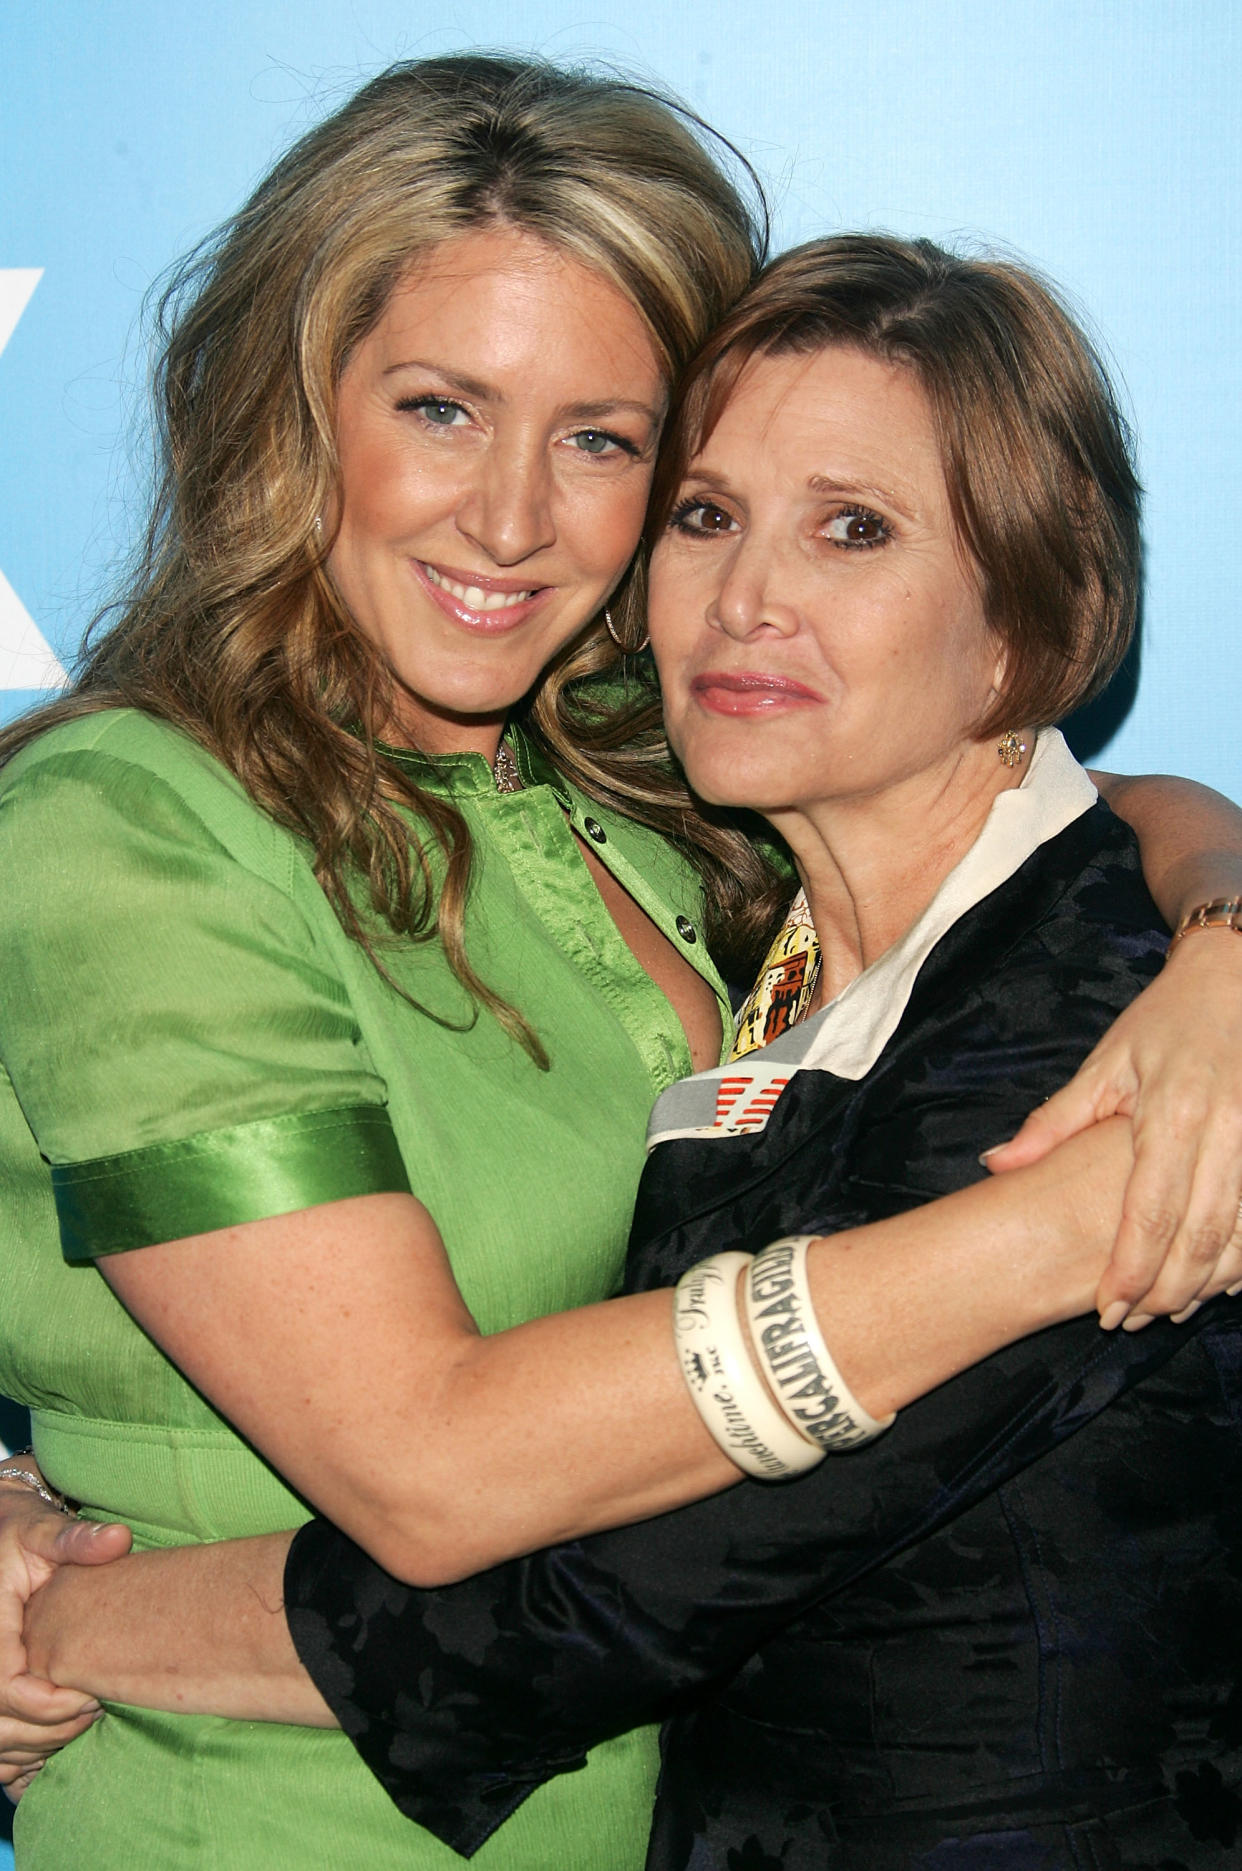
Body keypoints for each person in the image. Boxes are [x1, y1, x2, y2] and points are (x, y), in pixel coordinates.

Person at [0, 63, 1240, 1869]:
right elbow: (428, 1469)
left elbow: (1065, 791)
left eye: (601, 443)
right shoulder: (137, 828)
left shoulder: (632, 781)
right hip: (273, 1821)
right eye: (439, 408)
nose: (513, 523)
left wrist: (1218, 926)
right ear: (291, 407)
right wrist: (1073, 1223)